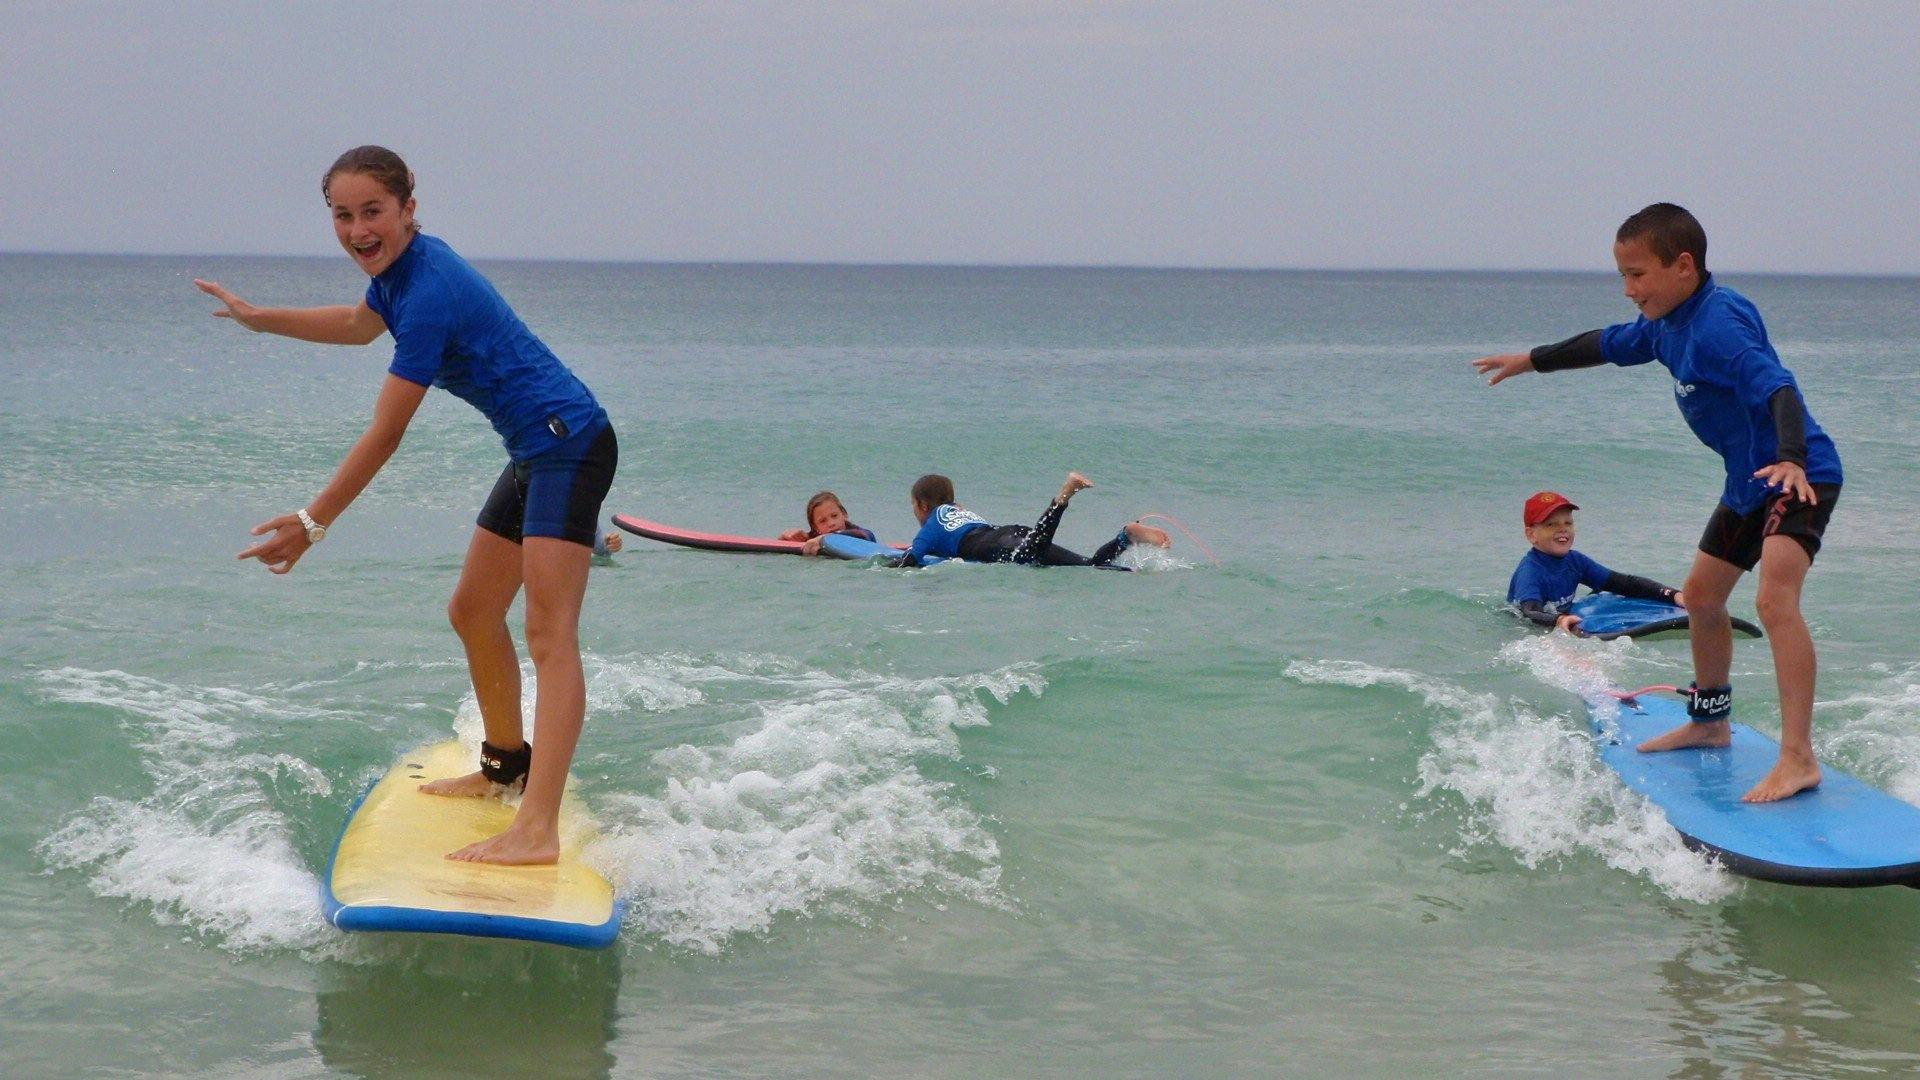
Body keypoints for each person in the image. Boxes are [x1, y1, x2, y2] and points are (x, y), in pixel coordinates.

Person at [197, 145, 618, 863]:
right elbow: (359, 325)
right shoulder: (400, 274)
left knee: (551, 635)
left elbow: (386, 432)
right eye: (342, 214)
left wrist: (311, 523)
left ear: (408, 210)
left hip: (569, 444)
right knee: (472, 611)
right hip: (536, 448)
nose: (358, 229)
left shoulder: (427, 293)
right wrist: (260, 318)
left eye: (373, 212)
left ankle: (537, 829)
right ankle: (506, 767)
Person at [1473, 203, 1842, 803]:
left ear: (1683, 266)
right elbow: (1605, 344)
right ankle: (1710, 720)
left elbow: (1778, 385)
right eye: (1622, 275)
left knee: (1775, 600)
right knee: (1700, 597)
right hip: (1747, 483)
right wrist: (1532, 360)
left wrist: (1794, 457)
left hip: (1798, 475)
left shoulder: (1717, 323)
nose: (1628, 289)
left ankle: (1798, 758)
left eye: (1638, 274)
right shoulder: (1669, 324)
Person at [895, 472, 1170, 568]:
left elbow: (912, 560)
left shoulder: (931, 524)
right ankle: (1126, 537)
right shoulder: (959, 511)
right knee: (1089, 566)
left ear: (922, 505)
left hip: (996, 545)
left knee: (1030, 554)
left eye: (913, 506)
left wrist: (885, 567)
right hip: (1010, 532)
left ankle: (1064, 496)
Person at [1508, 491, 1684, 633]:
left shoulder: (1575, 561)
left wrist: (1673, 595)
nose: (1562, 529)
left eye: (1568, 523)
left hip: (1562, 618)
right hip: (1529, 631)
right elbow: (1530, 612)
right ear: (1531, 535)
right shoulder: (1530, 572)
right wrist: (1558, 620)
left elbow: (1623, 583)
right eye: (1551, 525)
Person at [777, 490, 879, 556]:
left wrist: (824, 538)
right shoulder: (813, 539)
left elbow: (868, 535)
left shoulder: (858, 533)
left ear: (844, 514)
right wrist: (787, 536)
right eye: (822, 521)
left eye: (834, 516)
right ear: (815, 527)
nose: (831, 523)